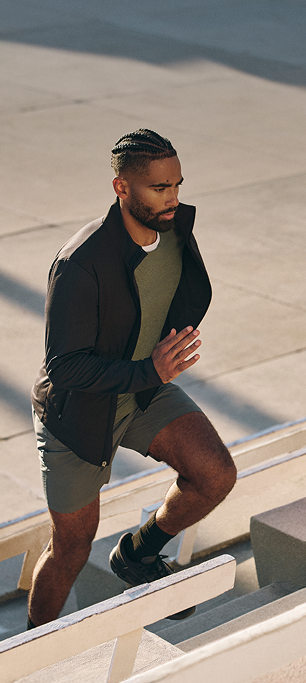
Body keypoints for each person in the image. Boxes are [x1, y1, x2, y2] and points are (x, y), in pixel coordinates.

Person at [28, 129, 237, 627]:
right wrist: (150, 369)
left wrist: (151, 371)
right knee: (72, 547)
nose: (173, 198)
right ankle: (26, 652)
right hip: (78, 414)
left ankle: (138, 555)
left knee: (214, 473)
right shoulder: (81, 264)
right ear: (121, 188)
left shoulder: (173, 231)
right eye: (159, 188)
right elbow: (64, 366)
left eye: (177, 185)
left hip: (142, 391)